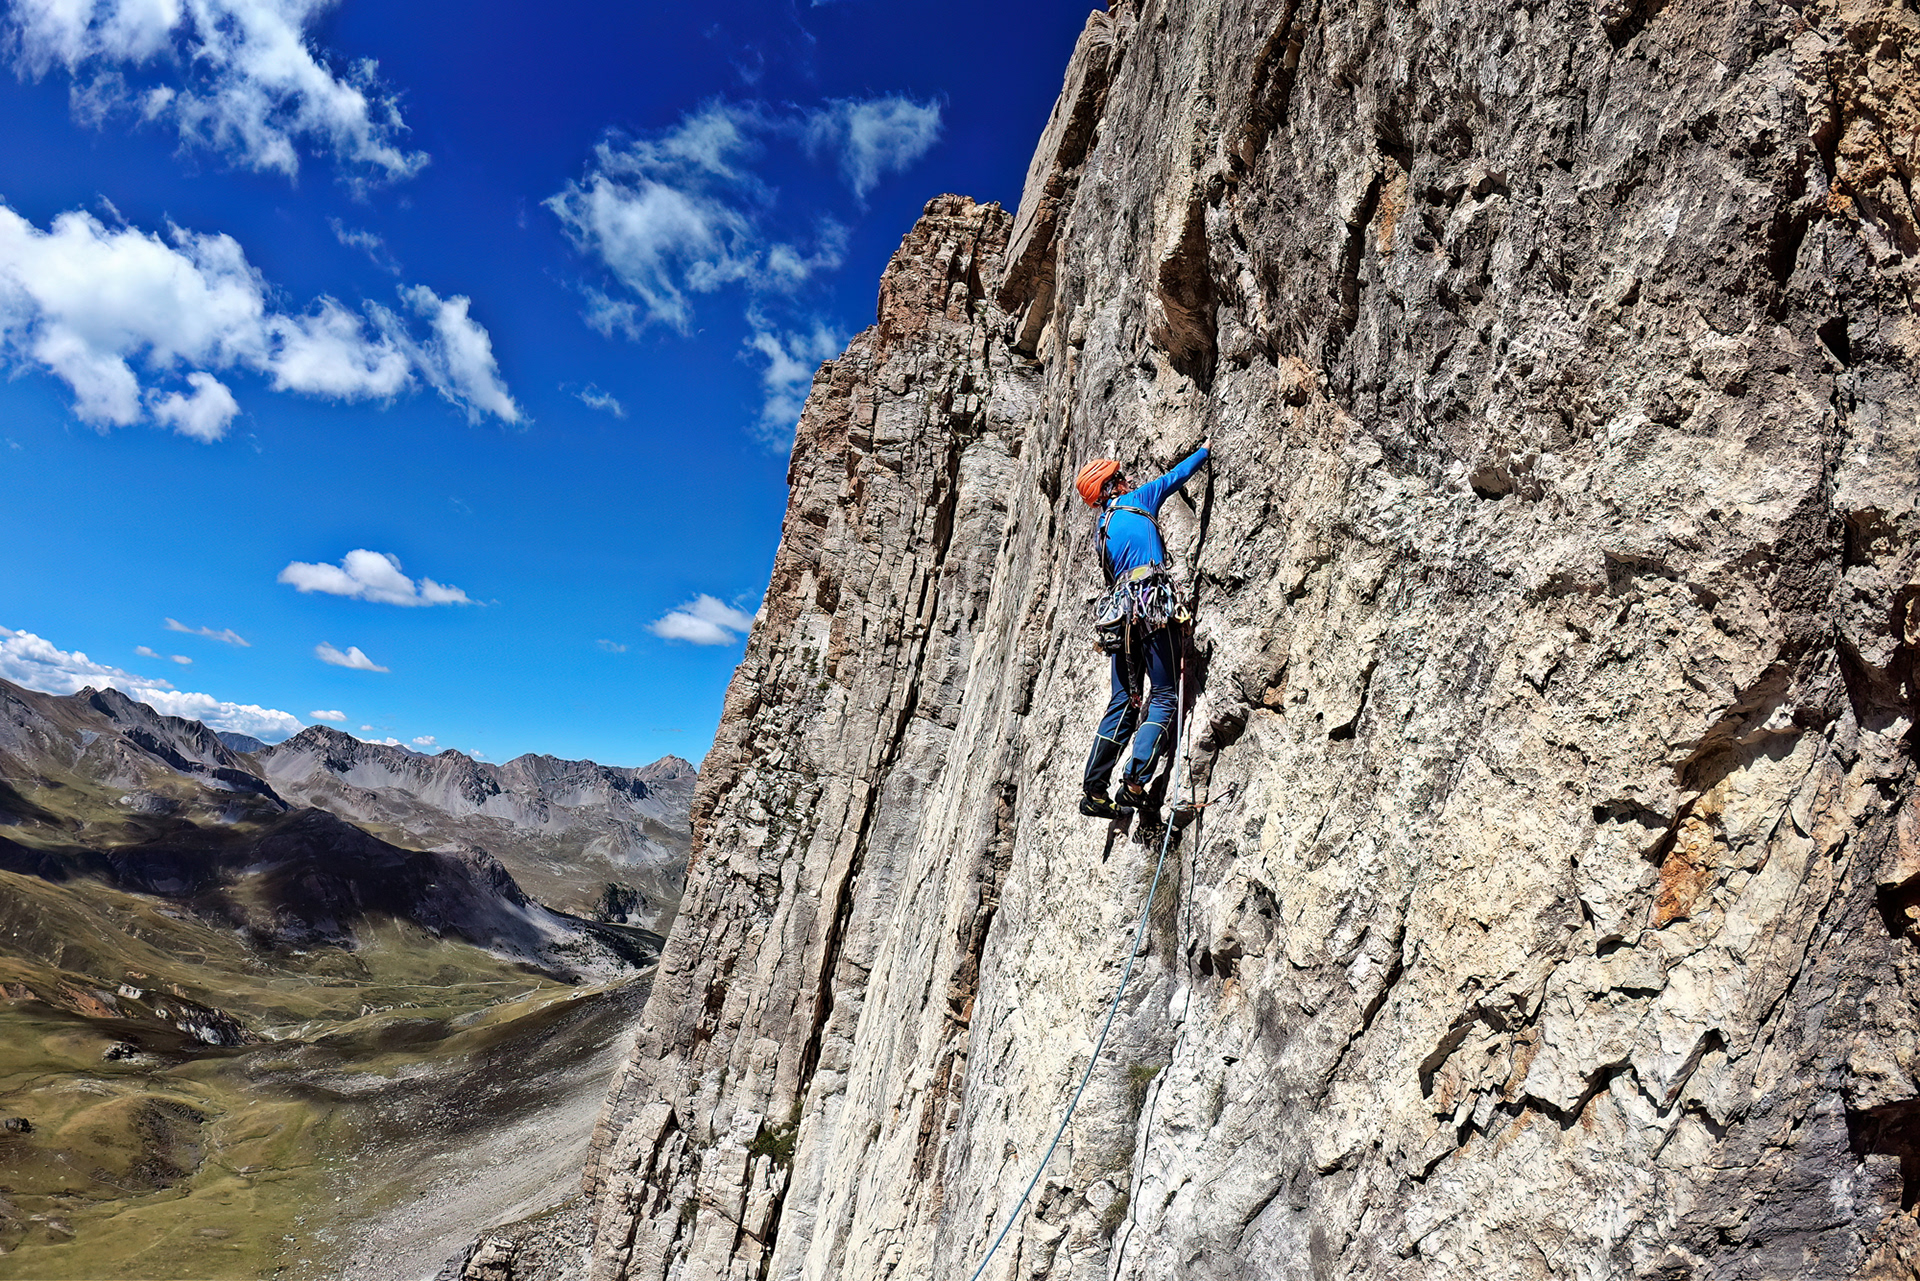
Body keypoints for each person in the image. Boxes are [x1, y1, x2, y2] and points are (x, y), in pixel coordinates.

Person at [1075, 439, 1210, 824]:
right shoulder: (1140, 498)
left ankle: (1095, 790)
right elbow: (1176, 476)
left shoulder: (1103, 528)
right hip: (1152, 607)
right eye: (1118, 476)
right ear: (1111, 485)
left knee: (1123, 701)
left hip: (1120, 617)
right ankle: (1134, 784)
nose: (1126, 477)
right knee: (1165, 696)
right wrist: (1204, 450)